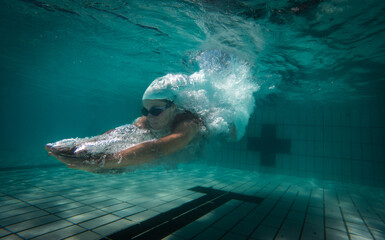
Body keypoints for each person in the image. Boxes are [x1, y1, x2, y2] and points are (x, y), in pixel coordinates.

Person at [46, 75, 204, 172]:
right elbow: (120, 134)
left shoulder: (189, 122)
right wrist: (82, 145)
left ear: (173, 108)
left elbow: (157, 148)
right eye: (145, 111)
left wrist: (100, 162)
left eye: (156, 111)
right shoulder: (148, 119)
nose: (149, 116)